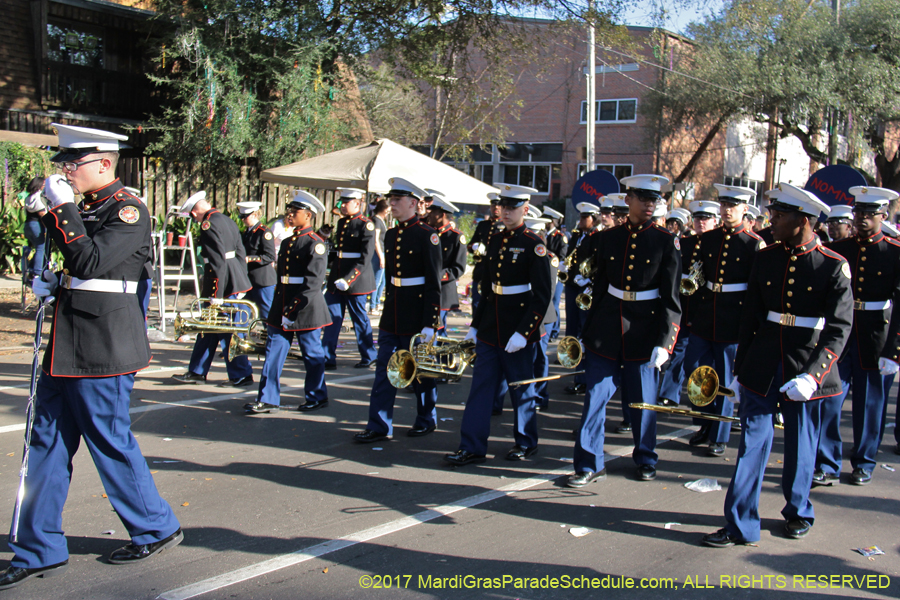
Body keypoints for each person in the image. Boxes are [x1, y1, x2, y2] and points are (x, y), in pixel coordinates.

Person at [0, 124, 182, 592]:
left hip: (104, 347)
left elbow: (87, 261)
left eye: (73, 163)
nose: (65, 171)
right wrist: (52, 278)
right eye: (63, 163)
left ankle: (155, 526)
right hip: (66, 345)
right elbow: (75, 268)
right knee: (44, 444)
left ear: (103, 163)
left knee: (109, 441)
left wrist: (61, 209)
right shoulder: (86, 208)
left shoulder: (128, 210)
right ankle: (38, 548)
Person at [702, 182, 852, 548]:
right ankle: (740, 523)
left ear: (803, 221)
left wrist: (813, 377)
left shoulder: (833, 265)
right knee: (752, 441)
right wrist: (740, 371)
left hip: (805, 362)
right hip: (763, 360)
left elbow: (839, 328)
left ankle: (798, 510)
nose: (772, 220)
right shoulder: (766, 257)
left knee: (801, 443)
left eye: (779, 215)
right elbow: (751, 316)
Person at [568, 174, 681, 486]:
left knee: (642, 401)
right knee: (595, 397)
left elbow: (672, 299)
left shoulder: (665, 240)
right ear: (628, 199)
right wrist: (588, 331)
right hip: (606, 328)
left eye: (653, 199)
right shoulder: (609, 238)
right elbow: (600, 286)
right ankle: (589, 463)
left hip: (644, 331)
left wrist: (665, 342)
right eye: (642, 198)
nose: (649, 204)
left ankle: (645, 457)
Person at [444, 183, 551, 465]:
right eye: (503, 206)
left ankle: (526, 442)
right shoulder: (495, 239)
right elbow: (489, 289)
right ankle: (471, 445)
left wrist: (524, 333)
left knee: (521, 388)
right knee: (480, 388)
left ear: (525, 209)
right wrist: (475, 326)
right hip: (491, 326)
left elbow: (542, 297)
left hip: (518, 327)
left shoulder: (534, 244)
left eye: (512, 207)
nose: (505, 211)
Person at [812, 186, 900, 487]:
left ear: (883, 216)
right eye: (859, 212)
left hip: (876, 335)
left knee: (869, 404)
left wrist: (894, 350)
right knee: (829, 399)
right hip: (842, 333)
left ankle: (863, 461)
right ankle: (827, 462)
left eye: (870, 213)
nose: (862, 218)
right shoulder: (841, 249)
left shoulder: (894, 251)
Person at [353, 178, 443, 442]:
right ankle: (379, 425)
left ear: (413, 203)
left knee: (420, 371)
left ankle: (426, 419)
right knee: (385, 370)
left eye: (397, 200)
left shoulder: (428, 235)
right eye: (390, 199)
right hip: (393, 313)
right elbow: (392, 278)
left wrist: (430, 323)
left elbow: (433, 283)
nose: (391, 204)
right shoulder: (391, 234)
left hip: (417, 314)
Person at [684, 186, 764, 457]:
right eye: (724, 204)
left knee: (726, 379)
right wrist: (692, 314)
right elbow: (697, 277)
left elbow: (756, 291)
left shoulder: (753, 243)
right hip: (707, 313)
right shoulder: (708, 239)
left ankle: (719, 435)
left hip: (734, 317)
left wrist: (750, 326)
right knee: (695, 368)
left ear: (745, 209)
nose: (727, 210)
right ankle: (705, 422)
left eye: (733, 205)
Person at [243, 191, 332, 414]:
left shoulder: (315, 244)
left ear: (308, 216)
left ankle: (317, 396)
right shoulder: (287, 242)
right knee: (273, 352)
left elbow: (312, 284)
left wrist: (291, 310)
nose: (289, 215)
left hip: (305, 307)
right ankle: (268, 398)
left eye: (295, 211)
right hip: (282, 303)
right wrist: (281, 309)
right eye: (289, 211)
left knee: (311, 354)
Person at [172, 191, 254, 386]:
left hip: (221, 283)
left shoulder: (208, 224)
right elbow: (240, 252)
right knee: (207, 329)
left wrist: (216, 293)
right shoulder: (227, 220)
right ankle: (197, 371)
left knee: (226, 329)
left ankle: (241, 373)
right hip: (232, 279)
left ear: (193, 213)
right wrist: (242, 280)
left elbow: (217, 260)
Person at [322, 188, 378, 370]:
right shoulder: (342, 223)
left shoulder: (366, 225)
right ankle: (327, 356)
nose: (343, 205)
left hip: (356, 280)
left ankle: (369, 355)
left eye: (347, 202)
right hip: (337, 277)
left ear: (358, 203)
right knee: (332, 317)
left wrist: (349, 279)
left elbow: (365, 257)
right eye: (342, 202)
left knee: (359, 319)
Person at [657, 206, 698, 409]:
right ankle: (669, 393)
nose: (673, 227)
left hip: (700, 307)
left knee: (693, 358)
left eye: (676, 224)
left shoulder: (695, 242)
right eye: (671, 223)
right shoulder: (679, 243)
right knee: (678, 349)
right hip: (680, 302)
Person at [562, 202, 599, 396]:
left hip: (586, 288)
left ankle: (584, 378)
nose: (582, 220)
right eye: (581, 217)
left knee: (584, 331)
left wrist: (588, 278)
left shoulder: (596, 237)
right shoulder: (576, 235)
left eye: (586, 217)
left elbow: (598, 262)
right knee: (572, 329)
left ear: (593, 219)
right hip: (572, 285)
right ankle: (576, 375)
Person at [425, 191, 467, 332]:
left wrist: (437, 275)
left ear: (442, 215)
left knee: (438, 330)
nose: (429, 215)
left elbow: (458, 268)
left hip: (443, 291)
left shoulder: (455, 237)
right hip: (427, 289)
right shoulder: (429, 233)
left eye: (433, 212)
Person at [238, 201, 277, 319]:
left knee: (266, 313)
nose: (243, 220)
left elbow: (270, 256)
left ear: (255, 214)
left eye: (245, 217)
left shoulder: (264, 232)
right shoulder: (247, 232)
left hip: (263, 280)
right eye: (242, 217)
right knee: (242, 310)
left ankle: (269, 331)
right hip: (249, 280)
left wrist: (250, 259)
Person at [468, 192, 504, 313]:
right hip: (480, 270)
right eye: (493, 205)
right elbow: (470, 245)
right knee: (477, 303)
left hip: (495, 271)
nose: (496, 207)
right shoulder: (483, 225)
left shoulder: (505, 225)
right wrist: (475, 246)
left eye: (499, 205)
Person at [543, 206, 568, 341]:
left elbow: (562, 256)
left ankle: (554, 330)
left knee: (554, 302)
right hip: (544, 273)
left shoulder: (560, 237)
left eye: (547, 220)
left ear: (552, 221)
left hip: (556, 273)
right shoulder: (543, 234)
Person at [20, 177, 46, 285]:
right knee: (41, 248)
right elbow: (42, 213)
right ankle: (37, 273)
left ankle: (30, 269)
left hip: (28, 224)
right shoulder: (39, 197)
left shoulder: (28, 197)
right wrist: (47, 226)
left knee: (36, 248)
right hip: (37, 225)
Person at [369, 198, 390, 315]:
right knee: (376, 280)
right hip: (378, 253)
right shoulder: (376, 220)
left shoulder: (381, 220)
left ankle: (377, 302)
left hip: (383, 251)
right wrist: (381, 256)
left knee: (383, 280)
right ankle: (372, 306)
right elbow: (376, 240)